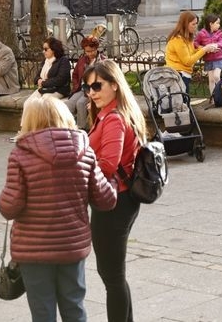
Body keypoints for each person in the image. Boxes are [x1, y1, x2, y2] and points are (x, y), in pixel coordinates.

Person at [0, 95, 117, 322]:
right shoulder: (85, 152)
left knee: (42, 312)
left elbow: (9, 208)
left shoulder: (20, 155)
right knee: (74, 307)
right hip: (72, 246)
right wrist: (113, 179)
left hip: (33, 249)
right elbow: (105, 200)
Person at [83, 59, 148, 322]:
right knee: (113, 275)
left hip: (114, 202)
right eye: (88, 87)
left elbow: (108, 164)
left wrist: (79, 169)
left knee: (112, 276)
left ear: (114, 85)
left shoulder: (113, 119)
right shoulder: (111, 114)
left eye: (97, 86)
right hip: (119, 199)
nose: (92, 92)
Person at [165, 11, 218, 92]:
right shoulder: (177, 39)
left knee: (185, 99)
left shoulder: (187, 37)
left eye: (196, 23)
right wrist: (204, 49)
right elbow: (188, 61)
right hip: (177, 76)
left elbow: (193, 50)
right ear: (185, 25)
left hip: (182, 75)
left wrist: (208, 48)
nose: (196, 26)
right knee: (182, 99)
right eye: (193, 24)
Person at [64, 36, 105, 130]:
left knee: (81, 103)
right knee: (69, 104)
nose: (90, 53)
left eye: (92, 51)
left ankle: (82, 129)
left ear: (96, 48)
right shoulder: (82, 60)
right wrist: (76, 85)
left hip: (93, 90)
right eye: (87, 51)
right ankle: (69, 127)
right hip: (81, 88)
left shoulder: (102, 61)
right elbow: (75, 75)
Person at [24, 37, 71, 105]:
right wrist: (38, 80)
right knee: (28, 103)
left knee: (43, 102)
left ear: (54, 49)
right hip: (44, 89)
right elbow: (36, 77)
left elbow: (60, 79)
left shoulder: (63, 60)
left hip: (58, 90)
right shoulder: (45, 61)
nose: (43, 51)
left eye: (46, 49)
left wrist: (43, 83)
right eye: (43, 49)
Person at [194, 13, 222, 98]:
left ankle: (221, 95)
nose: (219, 25)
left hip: (218, 58)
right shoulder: (201, 33)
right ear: (211, 24)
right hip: (208, 59)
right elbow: (195, 43)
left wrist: (216, 45)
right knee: (211, 80)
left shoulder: (219, 33)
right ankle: (213, 97)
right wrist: (204, 48)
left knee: (216, 76)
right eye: (217, 23)